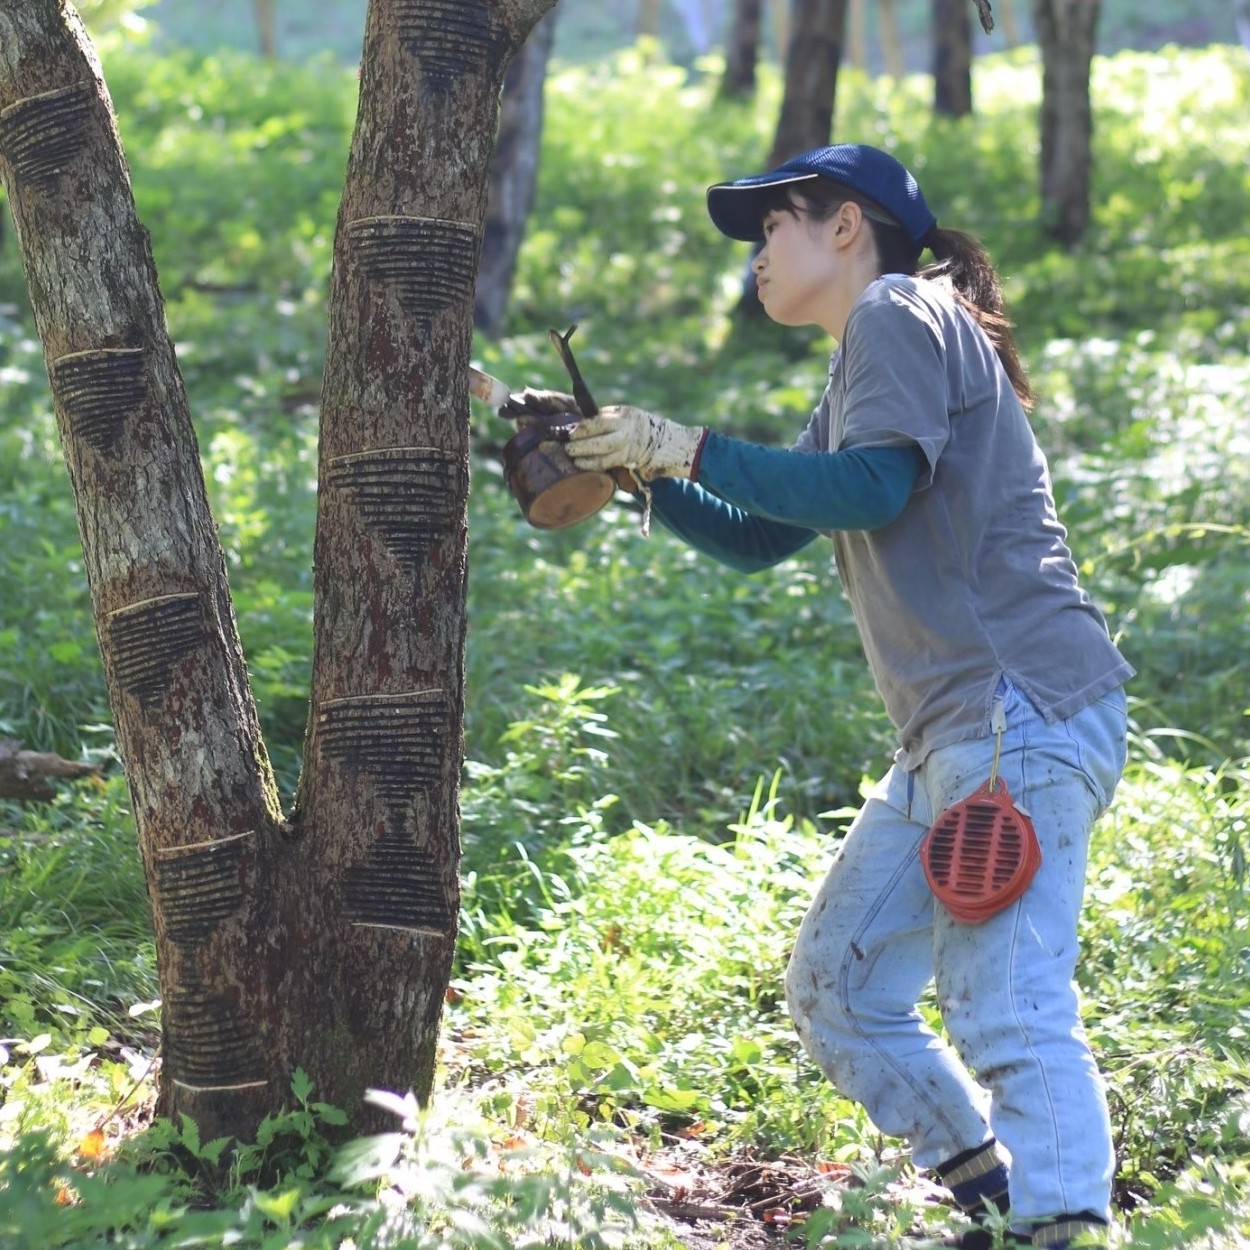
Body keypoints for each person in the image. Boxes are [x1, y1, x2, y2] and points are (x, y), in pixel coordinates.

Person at [547, 143, 1134, 1249]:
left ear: (847, 228)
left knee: (1003, 998)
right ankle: (998, 1196)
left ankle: (1063, 1224)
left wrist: (690, 443)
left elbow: (868, 489)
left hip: (1015, 709)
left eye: (774, 226)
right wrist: (644, 471)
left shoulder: (900, 315)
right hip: (954, 736)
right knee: (839, 983)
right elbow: (767, 533)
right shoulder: (873, 351)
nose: (758, 254)